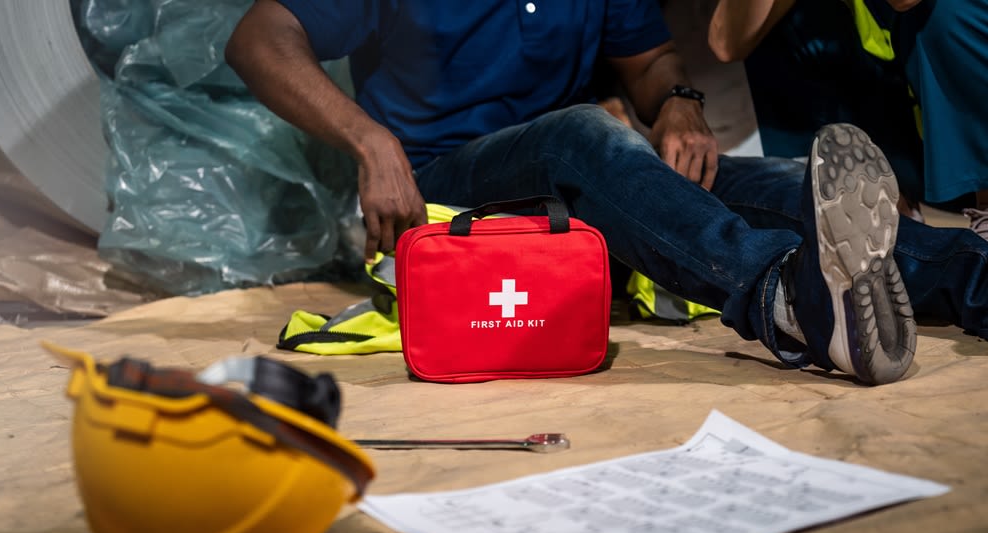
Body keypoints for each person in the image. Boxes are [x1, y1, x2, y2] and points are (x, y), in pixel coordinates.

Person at [225, 0, 988, 386]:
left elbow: (650, 60)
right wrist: (370, 140)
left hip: (583, 176)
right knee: (582, 133)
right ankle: (786, 303)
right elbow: (258, 37)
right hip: (449, 191)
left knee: (775, 184)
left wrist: (680, 100)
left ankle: (972, 279)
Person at [708, 0, 988, 232]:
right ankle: (882, 221)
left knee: (944, 12)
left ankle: (984, 218)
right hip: (922, 144)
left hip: (966, 133)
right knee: (780, 27)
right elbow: (727, 42)